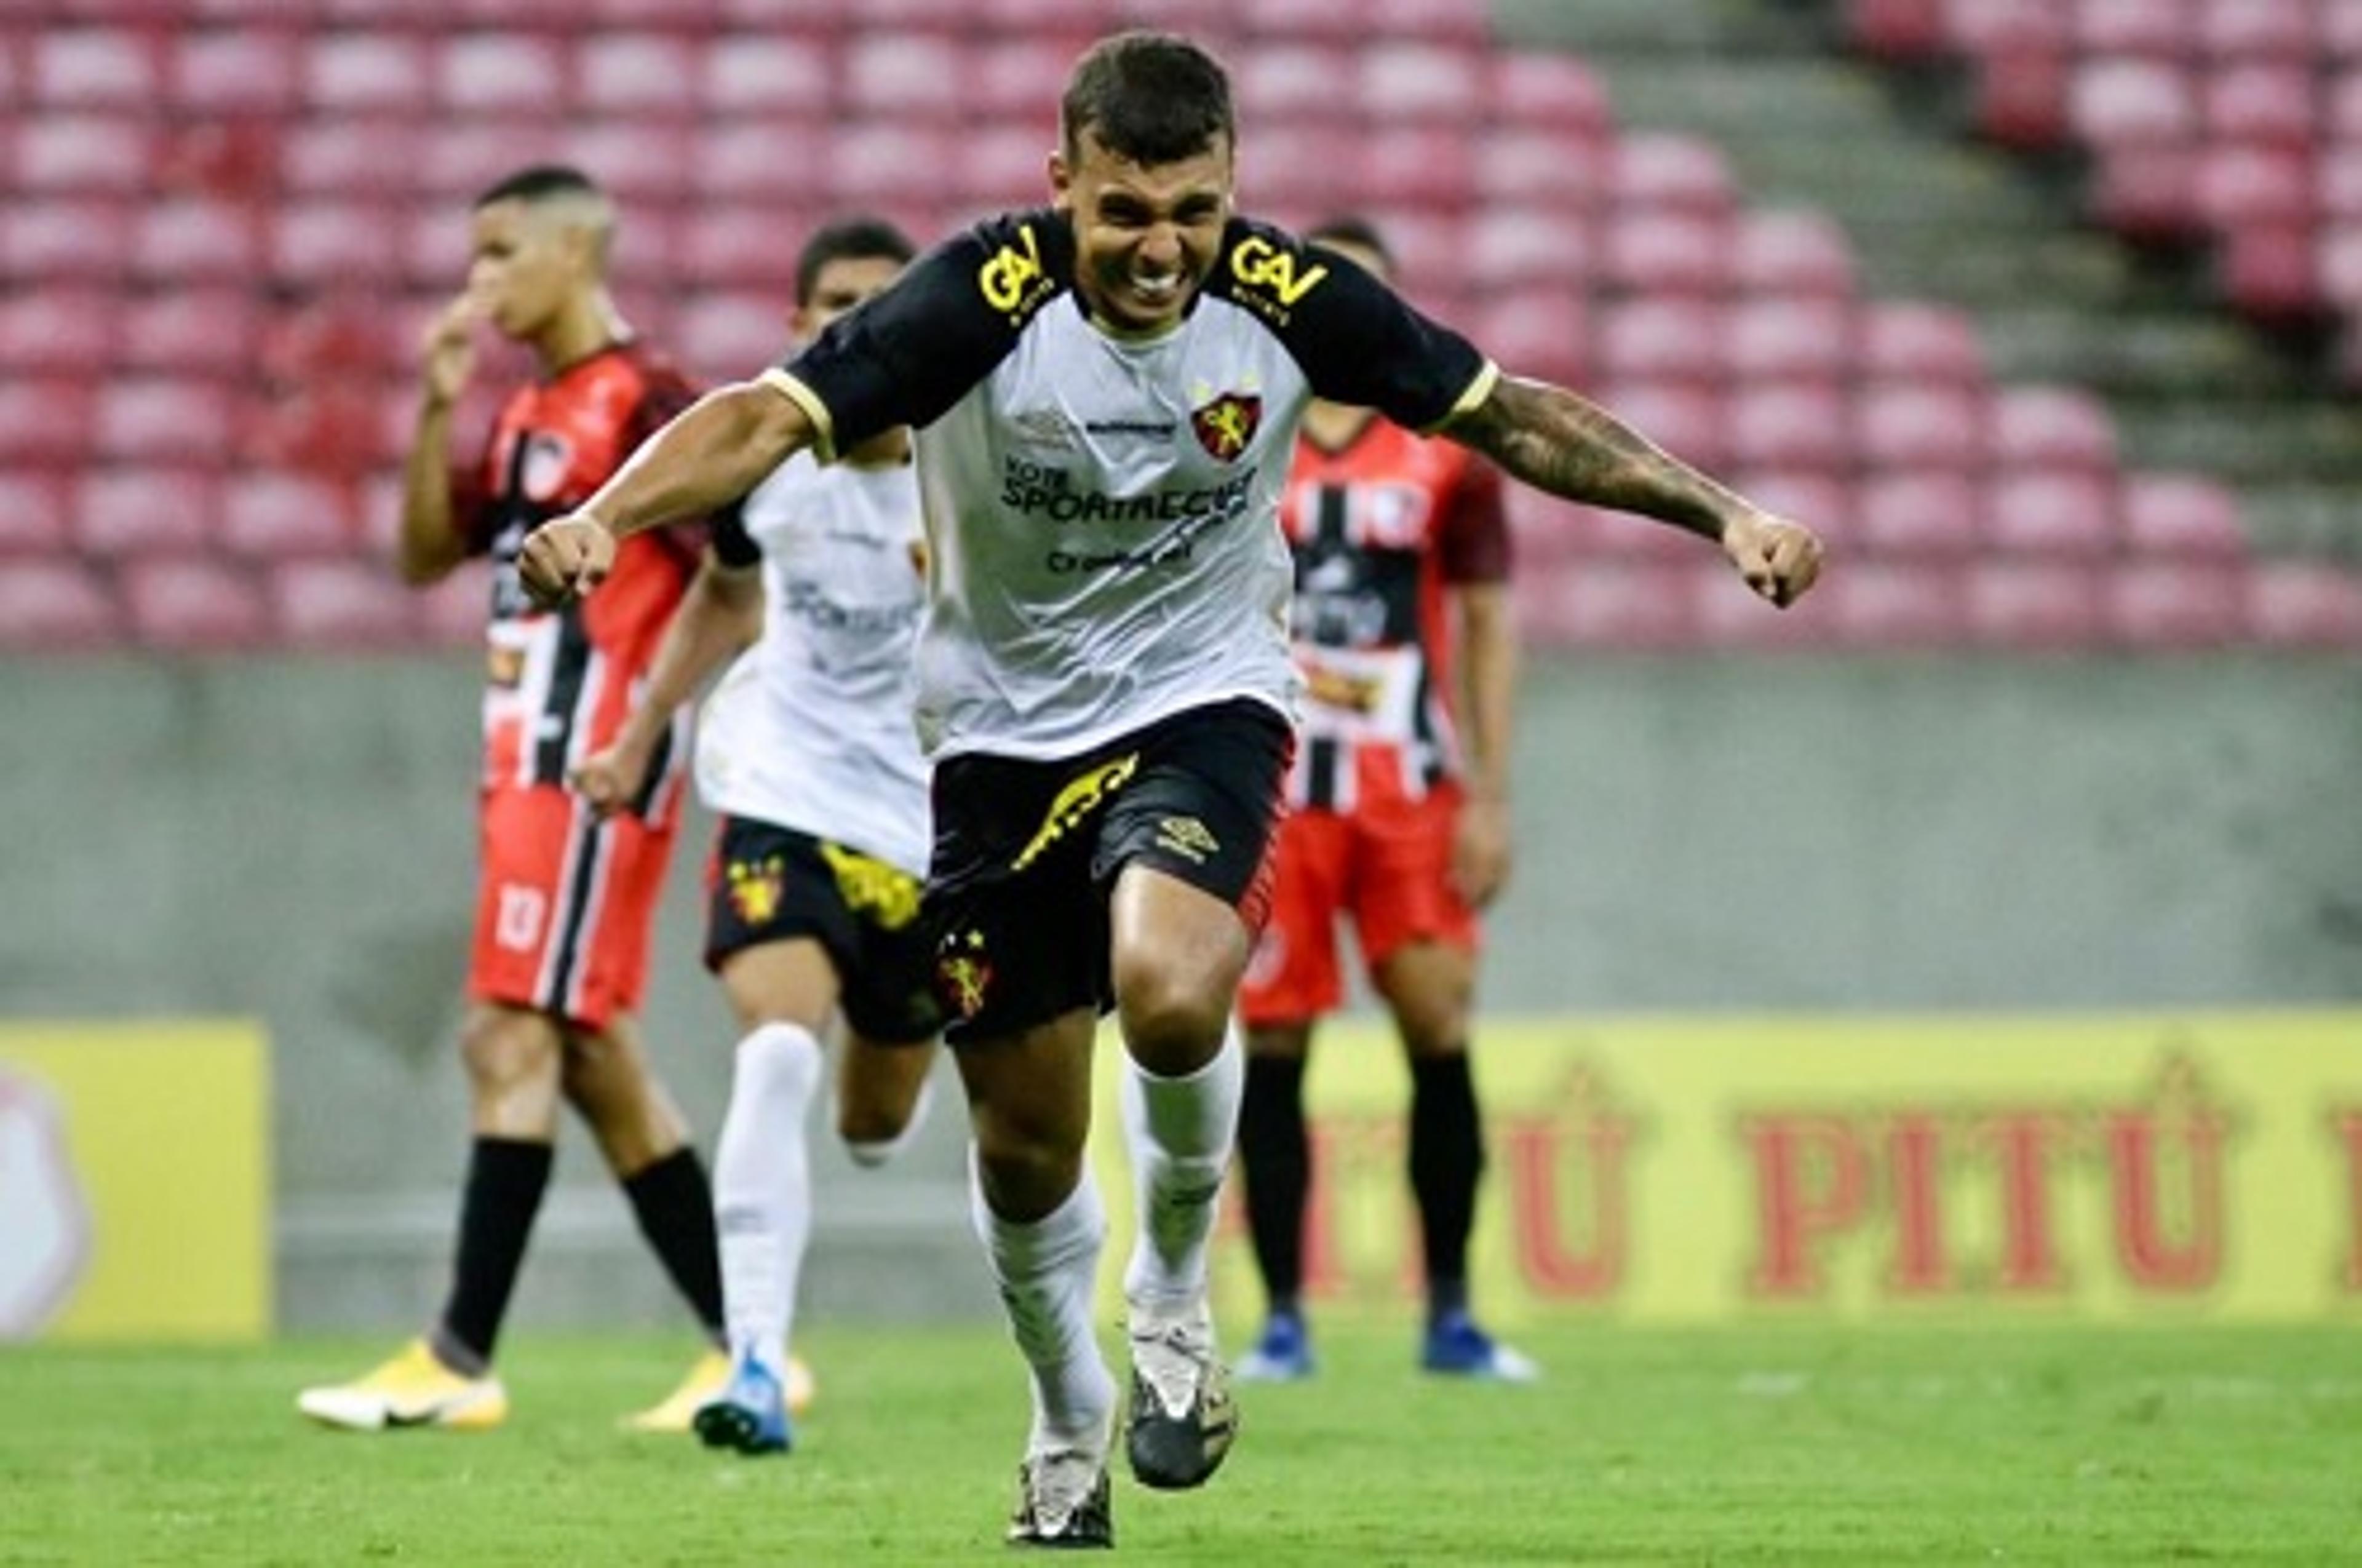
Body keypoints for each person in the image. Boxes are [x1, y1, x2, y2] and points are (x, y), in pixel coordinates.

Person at [513, 33, 1822, 1548]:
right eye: (1125, 211)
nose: (1161, 249)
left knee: (1178, 985)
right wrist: (608, 516)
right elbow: (760, 417)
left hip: (1205, 703)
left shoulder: (1287, 301)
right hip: (998, 747)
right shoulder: (975, 301)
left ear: (1234, 191)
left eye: (1193, 211)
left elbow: (1507, 411)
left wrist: (1721, 509)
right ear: (1061, 183)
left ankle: (1178, 1297)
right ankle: (1068, 1414)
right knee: (1022, 1148)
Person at [298, 165, 731, 1435]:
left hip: (588, 764)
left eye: (500, 254)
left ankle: (459, 1354)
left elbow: (736, 580)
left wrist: (653, 731)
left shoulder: (648, 401)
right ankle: (747, 1347)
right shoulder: (530, 405)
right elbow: (431, 551)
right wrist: (437, 410)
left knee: (506, 1032)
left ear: (574, 254)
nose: (479, 280)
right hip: (524, 761)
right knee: (590, 1057)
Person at [570, 217, 940, 1459]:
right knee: (775, 1053)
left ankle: (886, 1080)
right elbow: (727, 596)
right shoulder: (770, 464)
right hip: (783, 787)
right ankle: (758, 1365)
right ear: (801, 327)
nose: (865, 327)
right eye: (840, 304)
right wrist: (637, 735)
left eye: (892, 305)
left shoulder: (982, 473)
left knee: (874, 1126)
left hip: (932, 824)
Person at [1230, 217, 1533, 1387]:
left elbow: (1492, 623)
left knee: (1439, 1028)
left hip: (1408, 788)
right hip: (1275, 792)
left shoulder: (1449, 451)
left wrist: (1493, 796)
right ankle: (1283, 1320)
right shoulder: (1239, 436)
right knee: (1273, 1042)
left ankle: (1453, 1312)